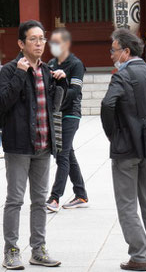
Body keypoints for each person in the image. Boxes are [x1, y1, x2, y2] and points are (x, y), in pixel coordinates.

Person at [0, 20, 65, 270]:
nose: (39, 43)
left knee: (39, 201)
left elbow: (53, 108)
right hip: (18, 145)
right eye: (33, 39)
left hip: (43, 146)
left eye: (42, 39)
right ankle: (11, 250)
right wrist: (19, 74)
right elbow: (1, 103)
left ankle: (38, 248)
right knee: (15, 200)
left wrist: (61, 84)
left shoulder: (47, 71)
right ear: (21, 44)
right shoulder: (9, 70)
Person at [101, 29, 146, 272]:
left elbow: (108, 104)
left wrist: (113, 134)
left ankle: (138, 255)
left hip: (126, 148)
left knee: (127, 204)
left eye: (114, 50)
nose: (111, 55)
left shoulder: (122, 75)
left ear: (126, 52)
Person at [46, 28, 89, 212]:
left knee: (62, 154)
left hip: (71, 113)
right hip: (56, 114)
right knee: (67, 153)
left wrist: (62, 80)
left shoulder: (76, 64)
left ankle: (55, 198)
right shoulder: (51, 63)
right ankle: (81, 194)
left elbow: (74, 92)